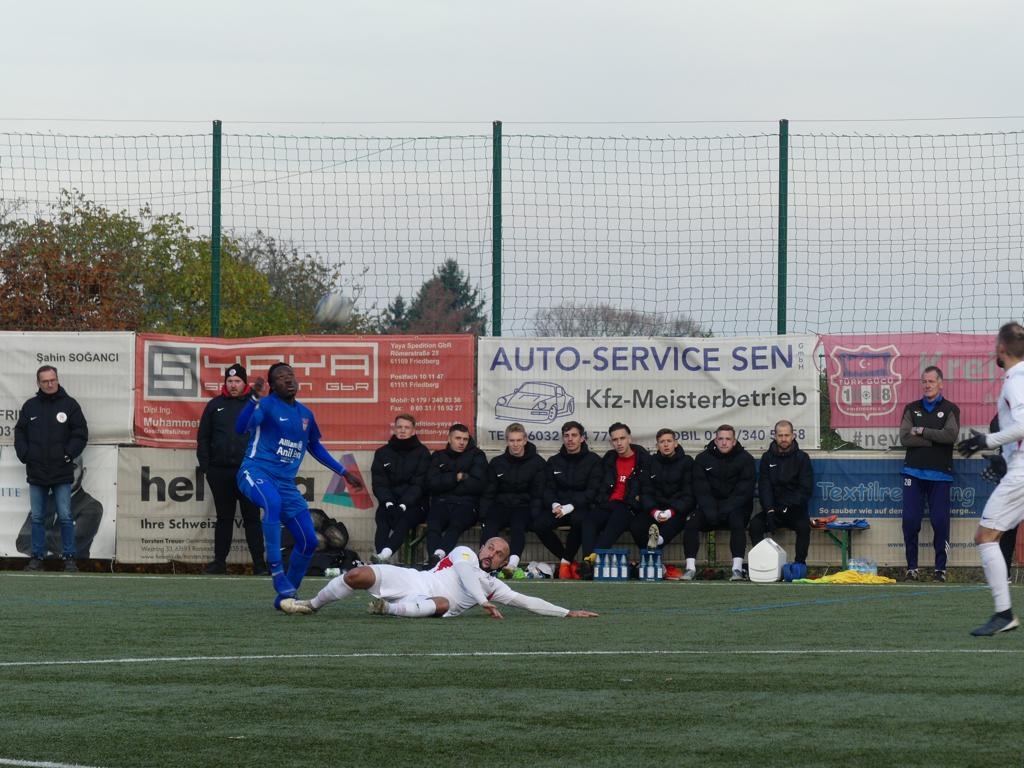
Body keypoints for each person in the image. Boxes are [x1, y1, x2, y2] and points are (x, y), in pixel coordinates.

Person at [235, 362, 363, 609]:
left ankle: (286, 596)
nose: (288, 380)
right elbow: (241, 428)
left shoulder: (305, 414)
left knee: (309, 541)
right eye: (281, 377)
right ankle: (276, 572)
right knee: (272, 503)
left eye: (290, 375)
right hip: (255, 471)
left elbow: (314, 446)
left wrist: (343, 471)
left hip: (285, 482)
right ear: (272, 386)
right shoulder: (266, 405)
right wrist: (252, 399)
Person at [278, 536, 599, 619]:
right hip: (414, 581)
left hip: (430, 603)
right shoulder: (465, 554)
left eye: (499, 553)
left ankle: (386, 610)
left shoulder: (494, 585)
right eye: (490, 546)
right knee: (359, 574)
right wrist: (480, 602)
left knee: (444, 604)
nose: (491, 553)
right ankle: (311, 604)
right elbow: (463, 573)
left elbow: (526, 601)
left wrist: (566, 612)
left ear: (503, 562)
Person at [957, 322, 1024, 636]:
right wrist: (1002, 457)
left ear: (1001, 349)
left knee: (985, 537)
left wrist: (988, 441)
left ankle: (1004, 613)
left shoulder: (1016, 381)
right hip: (1016, 466)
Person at [14, 365, 89, 572]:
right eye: (45, 381)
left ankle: (69, 559)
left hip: (61, 472)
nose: (50, 384)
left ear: (57, 379)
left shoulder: (70, 405)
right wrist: (26, 455)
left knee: (65, 516)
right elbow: (19, 433)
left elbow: (81, 433)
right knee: (38, 517)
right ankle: (37, 558)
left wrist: (67, 454)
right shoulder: (30, 406)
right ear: (38, 383)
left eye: (53, 380)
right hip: (36, 471)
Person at [196, 364, 267, 575]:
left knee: (252, 518)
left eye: (237, 381)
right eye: (229, 381)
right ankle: (219, 562)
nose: (233, 385)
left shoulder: (256, 406)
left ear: (245, 383)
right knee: (224, 518)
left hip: (249, 472)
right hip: (220, 472)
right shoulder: (214, 405)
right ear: (225, 383)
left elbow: (265, 438)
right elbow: (203, 438)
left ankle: (259, 564)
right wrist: (206, 467)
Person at [898, 366, 960, 582]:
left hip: (940, 475)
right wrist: (935, 439)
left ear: (941, 383)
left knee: (940, 521)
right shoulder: (911, 408)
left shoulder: (951, 409)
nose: (927, 385)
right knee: (911, 521)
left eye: (931, 381)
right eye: (924, 381)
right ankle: (912, 568)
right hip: (913, 473)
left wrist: (922, 431)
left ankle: (940, 570)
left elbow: (951, 435)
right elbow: (905, 438)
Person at [686, 425, 756, 581]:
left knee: (738, 522)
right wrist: (711, 511)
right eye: (720, 439)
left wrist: (724, 510)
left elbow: (743, 492)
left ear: (734, 441)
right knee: (691, 523)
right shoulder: (702, 459)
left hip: (736, 508)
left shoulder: (746, 459)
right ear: (715, 440)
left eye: (728, 439)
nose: (724, 442)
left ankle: (736, 569)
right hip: (710, 509)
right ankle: (690, 568)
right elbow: (701, 490)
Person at [583, 423, 652, 577]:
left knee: (617, 519)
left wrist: (640, 498)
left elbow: (649, 485)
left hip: (629, 505)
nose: (619, 443)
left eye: (622, 438)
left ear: (630, 439)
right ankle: (587, 560)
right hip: (608, 502)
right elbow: (598, 482)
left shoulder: (643, 459)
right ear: (611, 442)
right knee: (589, 520)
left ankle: (593, 560)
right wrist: (599, 499)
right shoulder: (609, 458)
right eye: (615, 440)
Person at [479, 423, 546, 576]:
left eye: (518, 440)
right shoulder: (497, 462)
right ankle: (483, 564)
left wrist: (534, 515)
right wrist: (483, 515)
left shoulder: (537, 463)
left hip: (523, 506)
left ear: (525, 440)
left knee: (518, 527)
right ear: (507, 441)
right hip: (501, 505)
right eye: (512, 441)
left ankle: (512, 564)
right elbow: (489, 491)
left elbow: (538, 493)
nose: (515, 444)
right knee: (489, 526)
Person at [539, 421, 603, 580]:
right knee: (538, 525)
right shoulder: (554, 461)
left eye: (574, 435)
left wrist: (571, 506)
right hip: (558, 508)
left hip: (581, 507)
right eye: (566, 436)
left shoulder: (593, 460)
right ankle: (568, 560)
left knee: (580, 521)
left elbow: (592, 491)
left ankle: (565, 563)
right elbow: (547, 488)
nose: (570, 439)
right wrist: (554, 504)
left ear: (582, 438)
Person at [749, 420, 814, 570]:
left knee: (804, 527)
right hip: (773, 510)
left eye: (787, 435)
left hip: (794, 510)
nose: (783, 439)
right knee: (755, 525)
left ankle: (799, 565)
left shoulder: (802, 458)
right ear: (775, 436)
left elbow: (806, 489)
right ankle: (765, 564)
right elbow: (764, 486)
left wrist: (787, 506)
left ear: (793, 436)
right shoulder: (767, 457)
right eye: (780, 435)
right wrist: (770, 510)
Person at [16, 455, 103, 560]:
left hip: (74, 571)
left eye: (72, 467)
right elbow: (21, 542)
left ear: (83, 472)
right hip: (42, 571)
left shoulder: (92, 506)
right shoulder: (45, 502)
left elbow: (70, 543)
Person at [370, 413, 431, 563]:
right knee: (382, 519)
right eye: (399, 427)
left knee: (404, 520)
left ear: (414, 431)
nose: (403, 430)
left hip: (415, 505)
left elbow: (419, 484)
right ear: (394, 429)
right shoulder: (382, 453)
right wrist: (389, 503)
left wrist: (403, 504)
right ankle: (382, 562)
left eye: (407, 427)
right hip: (389, 502)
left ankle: (384, 555)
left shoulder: (423, 453)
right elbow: (379, 483)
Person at [424, 423, 488, 567]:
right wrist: (456, 477)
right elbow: (432, 483)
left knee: (456, 525)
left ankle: (438, 556)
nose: (461, 442)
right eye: (458, 438)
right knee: (433, 525)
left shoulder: (477, 456)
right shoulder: (438, 456)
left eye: (465, 439)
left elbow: (478, 485)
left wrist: (446, 481)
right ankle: (433, 562)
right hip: (441, 502)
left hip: (466, 504)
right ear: (449, 438)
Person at [639, 428, 695, 575]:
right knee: (636, 524)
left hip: (677, 510)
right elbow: (645, 491)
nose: (666, 445)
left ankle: (656, 543)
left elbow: (689, 494)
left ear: (676, 443)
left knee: (678, 520)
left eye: (669, 441)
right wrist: (654, 512)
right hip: (655, 509)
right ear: (657, 445)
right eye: (662, 442)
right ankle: (653, 559)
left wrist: (671, 512)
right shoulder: (650, 462)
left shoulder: (687, 462)